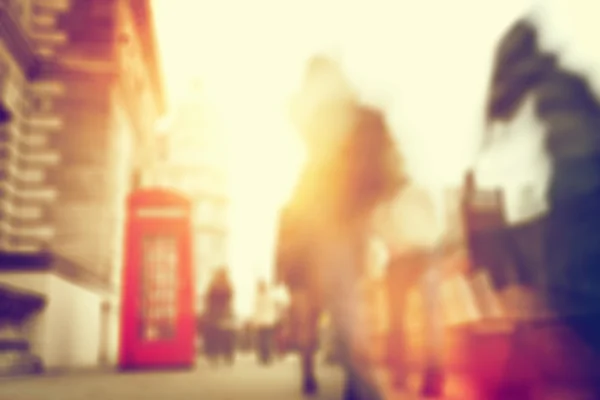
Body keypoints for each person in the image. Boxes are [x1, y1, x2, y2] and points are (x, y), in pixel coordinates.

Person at [276, 55, 405, 399]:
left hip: (334, 219)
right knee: (350, 302)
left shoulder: (325, 117)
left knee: (342, 305)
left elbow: (309, 143)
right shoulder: (361, 113)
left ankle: (361, 387)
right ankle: (355, 382)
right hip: (358, 219)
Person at [204, 267, 236, 366]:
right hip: (225, 314)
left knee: (215, 337)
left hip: (214, 315)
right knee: (226, 337)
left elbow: (208, 299)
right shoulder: (228, 285)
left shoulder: (214, 285)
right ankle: (228, 356)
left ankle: (214, 356)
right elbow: (231, 298)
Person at [252, 279, 279, 365]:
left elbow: (256, 311)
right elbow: (274, 308)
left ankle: (263, 357)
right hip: (269, 321)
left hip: (261, 321)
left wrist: (255, 321)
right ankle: (268, 357)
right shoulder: (270, 296)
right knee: (268, 339)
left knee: (261, 340)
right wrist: (274, 319)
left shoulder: (258, 297)